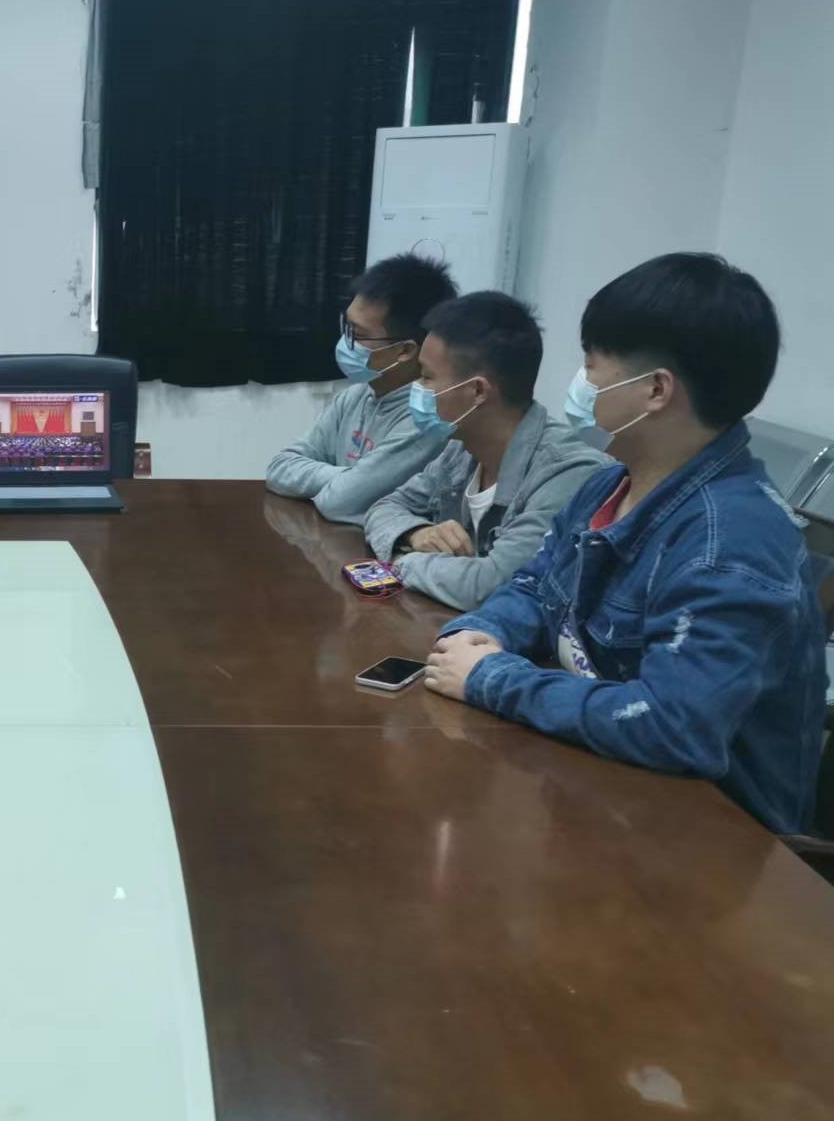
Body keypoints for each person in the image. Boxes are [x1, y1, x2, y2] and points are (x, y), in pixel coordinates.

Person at [426, 254, 827, 834]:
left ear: (656, 390)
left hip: (712, 841)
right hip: (601, 791)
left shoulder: (732, 541)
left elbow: (672, 726)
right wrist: (482, 633)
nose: (582, 383)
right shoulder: (610, 483)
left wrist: (492, 678)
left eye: (592, 365)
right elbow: (536, 583)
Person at [363, 292, 611, 609]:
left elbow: (490, 585)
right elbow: (384, 507)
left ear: (478, 390)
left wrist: (400, 562)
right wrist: (415, 533)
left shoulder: (568, 472)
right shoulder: (461, 448)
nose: (416, 388)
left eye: (426, 377)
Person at [265, 252, 458, 524]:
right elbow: (279, 467)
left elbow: (340, 502)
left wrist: (349, 486)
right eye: (346, 326)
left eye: (358, 334)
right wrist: (353, 479)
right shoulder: (354, 396)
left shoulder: (427, 419)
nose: (346, 341)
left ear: (404, 351)